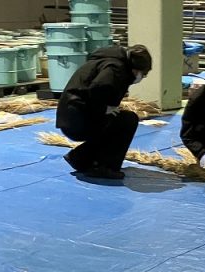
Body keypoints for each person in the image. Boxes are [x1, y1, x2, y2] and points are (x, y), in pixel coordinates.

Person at [56, 44, 152, 181]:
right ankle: (104, 167)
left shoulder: (107, 60)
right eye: (143, 74)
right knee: (127, 120)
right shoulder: (116, 68)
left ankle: (80, 158)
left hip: (70, 116)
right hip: (77, 119)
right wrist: (104, 109)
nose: (142, 77)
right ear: (136, 69)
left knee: (117, 119)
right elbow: (98, 87)